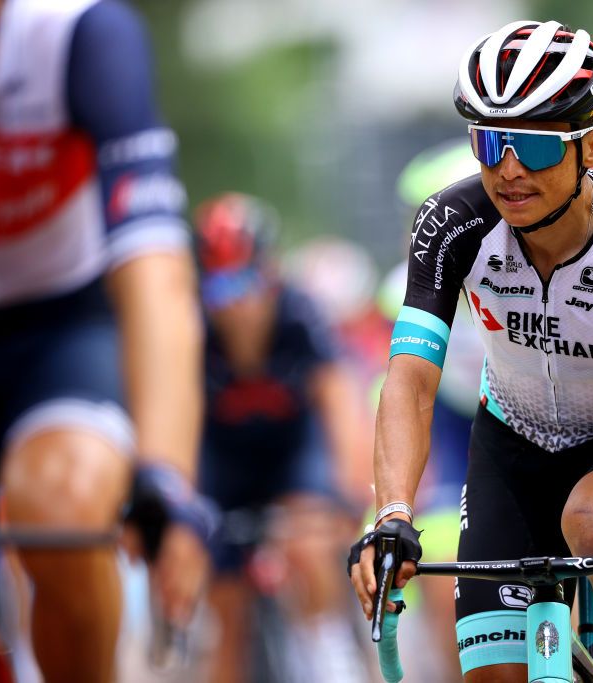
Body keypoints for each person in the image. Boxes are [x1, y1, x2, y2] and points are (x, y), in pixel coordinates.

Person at [349, 20, 593, 682]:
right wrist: (393, 514)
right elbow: (408, 383)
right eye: (490, 142)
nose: (508, 170)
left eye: (534, 146)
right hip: (513, 442)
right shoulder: (450, 225)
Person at [0, 1, 213, 681]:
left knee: (62, 508)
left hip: (61, 326)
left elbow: (157, 278)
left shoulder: (78, 35)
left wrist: (166, 477)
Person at [193, 193, 374, 683]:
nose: (236, 306)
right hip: (225, 461)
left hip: (295, 452)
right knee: (223, 607)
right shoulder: (191, 329)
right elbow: (176, 423)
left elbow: (340, 404)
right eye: (219, 289)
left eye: (245, 282)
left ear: (270, 274)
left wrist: (351, 494)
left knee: (310, 541)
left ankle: (327, 652)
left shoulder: (299, 313)